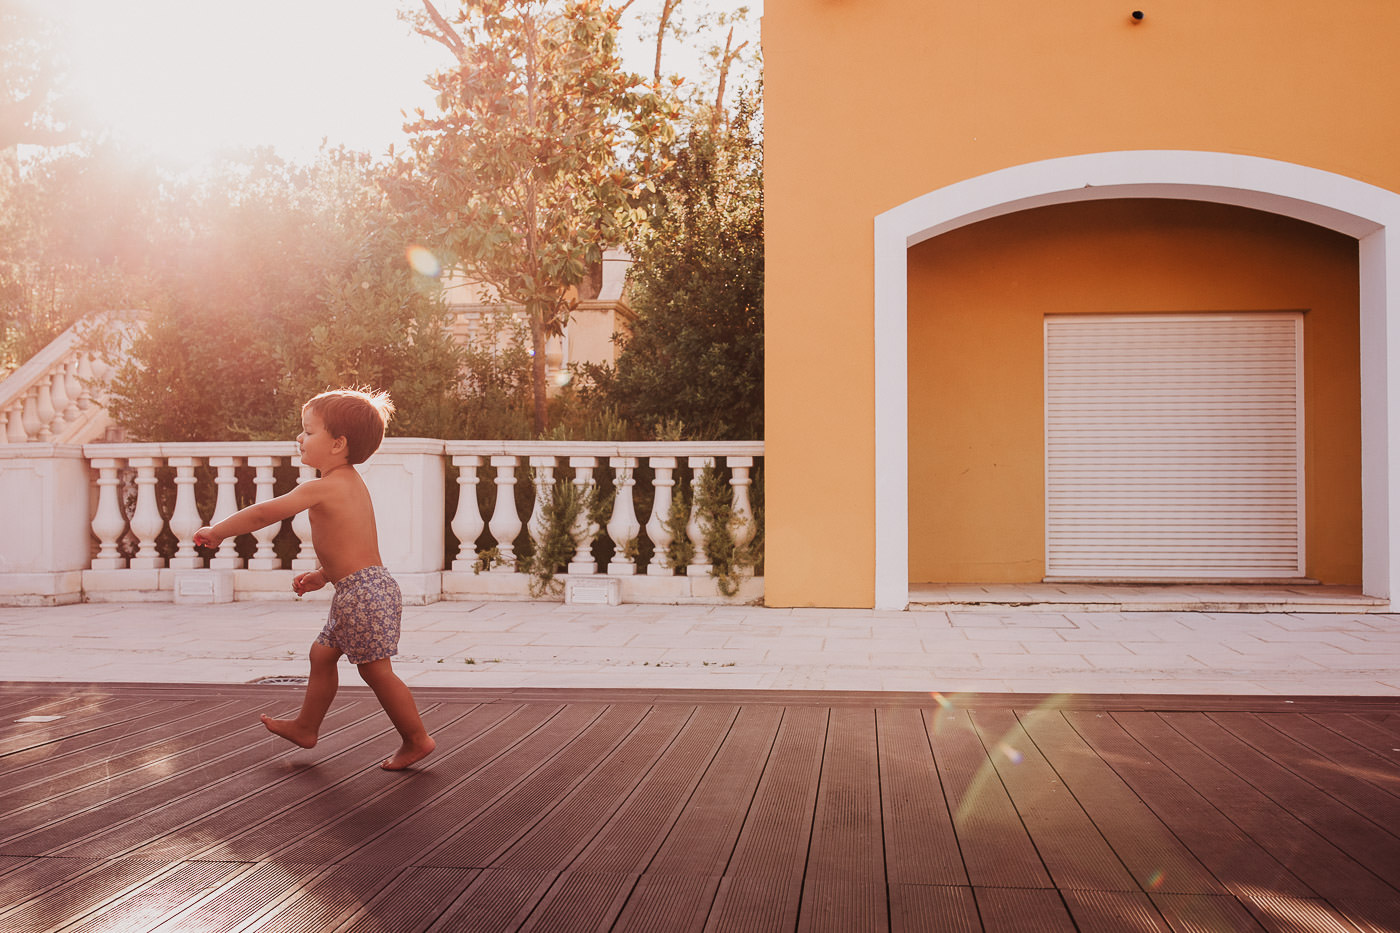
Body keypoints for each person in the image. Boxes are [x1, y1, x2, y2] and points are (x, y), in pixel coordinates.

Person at [193, 388, 435, 771]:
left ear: (338, 444)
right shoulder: (349, 483)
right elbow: (353, 543)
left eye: (308, 431)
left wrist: (219, 531)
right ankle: (307, 727)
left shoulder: (325, 486)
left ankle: (416, 738)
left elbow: (264, 514)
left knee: (376, 671)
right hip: (361, 588)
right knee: (322, 655)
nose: (300, 438)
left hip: (362, 593)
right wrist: (324, 575)